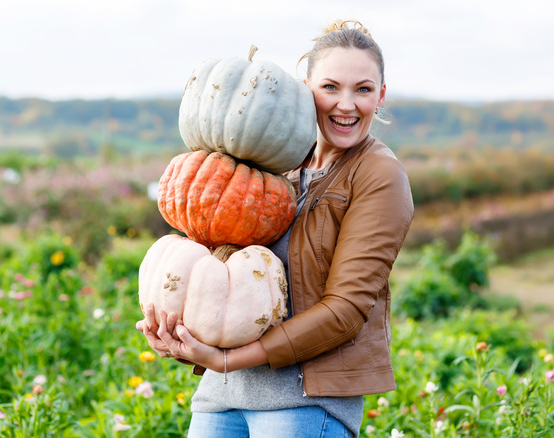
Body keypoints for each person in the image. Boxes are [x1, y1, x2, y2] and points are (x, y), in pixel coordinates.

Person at [137, 19, 414, 438]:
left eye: (363, 89)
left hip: (304, 405)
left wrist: (229, 358)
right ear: (307, 90)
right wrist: (180, 339)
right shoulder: (271, 166)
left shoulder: (379, 175)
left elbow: (347, 310)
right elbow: (215, 281)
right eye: (330, 87)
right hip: (221, 398)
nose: (346, 104)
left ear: (381, 96)